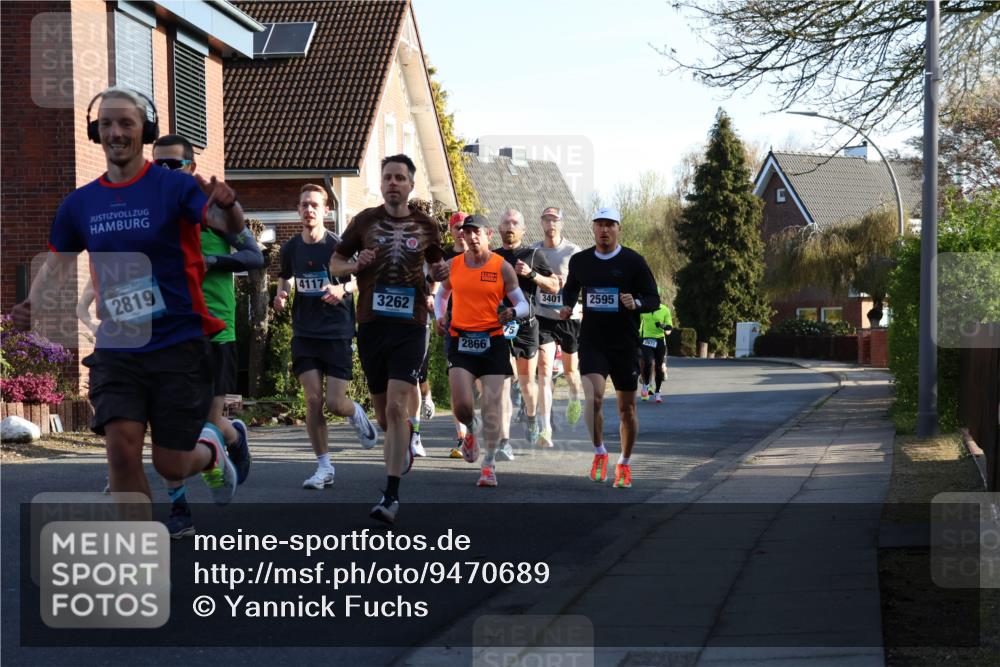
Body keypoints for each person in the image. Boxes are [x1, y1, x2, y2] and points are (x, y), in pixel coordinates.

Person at [11, 86, 250, 504]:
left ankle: (211, 453)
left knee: (170, 464)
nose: (115, 132)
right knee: (121, 454)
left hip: (179, 341)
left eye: (126, 123)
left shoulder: (175, 187)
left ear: (145, 130)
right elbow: (57, 264)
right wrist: (34, 303)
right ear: (95, 131)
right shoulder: (80, 204)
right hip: (119, 345)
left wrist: (230, 206)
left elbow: (226, 225)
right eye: (106, 124)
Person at [152, 134, 262, 537]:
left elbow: (255, 256)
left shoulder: (213, 209)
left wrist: (211, 259)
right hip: (165, 332)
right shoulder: (150, 211)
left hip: (215, 328)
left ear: (191, 169)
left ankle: (232, 437)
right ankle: (179, 509)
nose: (164, 173)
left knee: (210, 421)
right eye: (157, 165)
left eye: (173, 165)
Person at [330, 154, 449, 524]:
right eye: (388, 178)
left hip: (410, 326)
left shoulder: (427, 226)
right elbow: (334, 264)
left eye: (400, 177)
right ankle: (404, 437)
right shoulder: (364, 221)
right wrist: (355, 265)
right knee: (384, 416)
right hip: (371, 325)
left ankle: (391, 495)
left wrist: (439, 272)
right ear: (381, 184)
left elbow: (436, 268)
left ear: (411, 185)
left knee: (397, 408)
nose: (393, 183)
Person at [274, 184, 378, 490]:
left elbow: (362, 277)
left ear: (325, 211)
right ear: (298, 210)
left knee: (334, 402)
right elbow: (285, 276)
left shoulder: (337, 246)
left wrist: (341, 289)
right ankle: (324, 467)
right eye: (304, 204)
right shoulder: (291, 247)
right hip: (304, 333)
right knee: (312, 400)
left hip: (336, 332)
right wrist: (282, 293)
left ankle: (355, 411)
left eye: (314, 205)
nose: (309, 210)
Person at [560, 207, 659, 489]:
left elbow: (653, 297)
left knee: (627, 410)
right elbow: (571, 287)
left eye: (610, 225)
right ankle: (600, 452)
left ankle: (624, 463)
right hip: (592, 341)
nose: (605, 230)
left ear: (619, 229)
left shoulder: (633, 262)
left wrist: (636, 303)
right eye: (600, 224)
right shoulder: (580, 261)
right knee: (594, 397)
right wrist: (567, 305)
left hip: (625, 344)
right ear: (593, 228)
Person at [433, 215, 527, 487]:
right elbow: (441, 295)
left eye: (476, 232)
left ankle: (488, 466)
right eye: (467, 232)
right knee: (462, 406)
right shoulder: (454, 265)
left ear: (488, 234)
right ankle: (470, 429)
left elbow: (522, 304)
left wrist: (512, 312)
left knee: (492, 408)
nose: (471, 237)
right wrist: (440, 316)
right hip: (461, 340)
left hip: (493, 341)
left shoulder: (502, 267)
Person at [495, 209, 558, 458]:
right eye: (506, 223)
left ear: (523, 230)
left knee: (526, 383)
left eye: (515, 223)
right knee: (502, 383)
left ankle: (532, 416)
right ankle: (504, 441)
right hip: (498, 325)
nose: (510, 226)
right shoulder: (492, 257)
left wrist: (531, 274)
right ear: (499, 229)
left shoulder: (534, 254)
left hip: (526, 326)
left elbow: (555, 285)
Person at [532, 207, 585, 446]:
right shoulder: (534, 251)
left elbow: (583, 283)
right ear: (541, 223)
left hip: (568, 318)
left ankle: (575, 397)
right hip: (543, 317)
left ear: (561, 224)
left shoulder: (574, 252)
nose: (551, 224)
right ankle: (546, 428)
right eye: (547, 220)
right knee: (544, 369)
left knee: (571, 372)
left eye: (555, 220)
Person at [442, 212, 472, 459]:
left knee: (481, 383)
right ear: (451, 230)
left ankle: (476, 428)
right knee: (456, 382)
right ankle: (461, 437)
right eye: (459, 227)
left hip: (480, 324)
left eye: (466, 228)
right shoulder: (444, 257)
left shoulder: (479, 256)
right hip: (452, 324)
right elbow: (433, 287)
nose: (462, 232)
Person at [639, 298, 673, 403]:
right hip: (647, 339)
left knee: (659, 367)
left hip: (659, 341)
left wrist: (662, 326)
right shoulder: (643, 310)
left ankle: (658, 392)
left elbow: (669, 329)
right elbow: (638, 324)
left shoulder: (665, 309)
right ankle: (646, 385)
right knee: (648, 362)